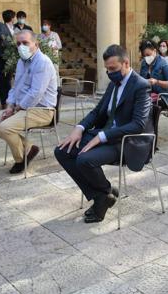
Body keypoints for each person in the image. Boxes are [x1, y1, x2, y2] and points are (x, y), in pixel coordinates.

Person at [54, 44, 151, 223]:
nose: (109, 73)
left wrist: (103, 136)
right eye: (107, 69)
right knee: (62, 151)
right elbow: (97, 111)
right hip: (105, 134)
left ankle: (101, 200)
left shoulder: (141, 86)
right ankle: (103, 194)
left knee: (84, 160)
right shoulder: (114, 84)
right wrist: (79, 128)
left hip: (125, 142)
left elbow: (138, 125)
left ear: (126, 63)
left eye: (113, 68)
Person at [0, 30, 58, 174]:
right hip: (23, 108)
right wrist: (10, 105)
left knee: (5, 127)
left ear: (36, 44)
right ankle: (29, 147)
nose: (21, 46)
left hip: (42, 110)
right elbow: (16, 87)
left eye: (25, 43)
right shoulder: (21, 61)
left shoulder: (42, 62)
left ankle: (20, 159)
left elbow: (36, 93)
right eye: (18, 44)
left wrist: (18, 108)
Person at [139, 39, 168, 149]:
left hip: (166, 96)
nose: (146, 57)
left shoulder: (164, 63)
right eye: (144, 55)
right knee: (136, 102)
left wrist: (157, 81)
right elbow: (142, 80)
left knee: (151, 107)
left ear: (154, 51)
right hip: (151, 95)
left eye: (148, 54)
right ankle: (138, 133)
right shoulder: (144, 63)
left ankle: (151, 141)